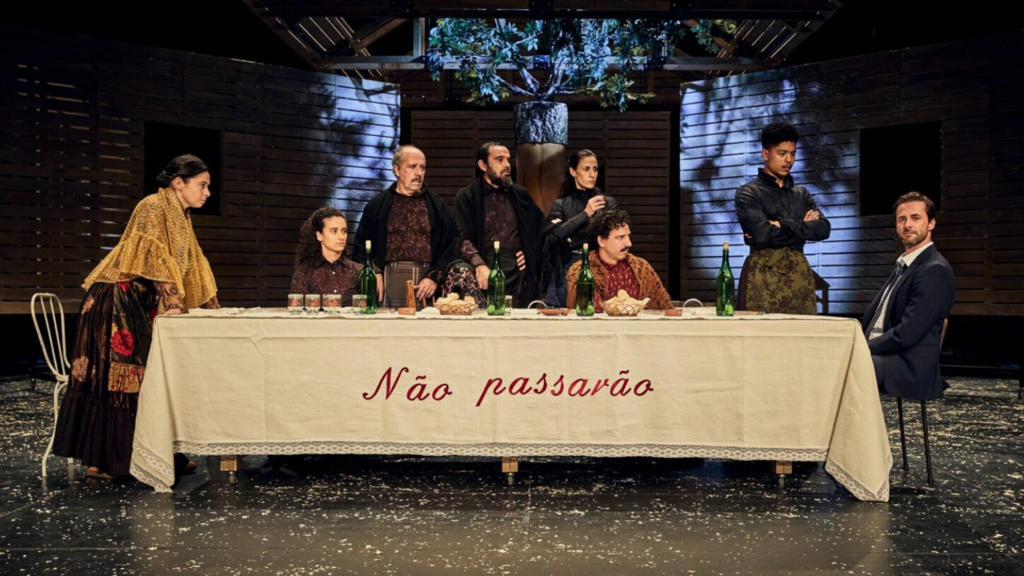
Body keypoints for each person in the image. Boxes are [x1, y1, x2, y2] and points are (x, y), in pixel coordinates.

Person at [54, 154, 219, 479]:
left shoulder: (181, 216)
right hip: (115, 302)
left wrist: (214, 309)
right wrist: (173, 305)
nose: (207, 192)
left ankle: (160, 453)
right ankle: (105, 460)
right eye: (202, 185)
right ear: (178, 183)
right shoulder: (153, 207)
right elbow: (156, 259)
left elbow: (195, 266)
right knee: (119, 379)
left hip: (137, 303)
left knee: (149, 377)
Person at [862, 192, 955, 400]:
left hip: (908, 365)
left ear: (931, 223)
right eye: (901, 219)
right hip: (886, 356)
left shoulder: (934, 269)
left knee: (837, 369)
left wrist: (861, 348)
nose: (907, 225)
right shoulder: (904, 265)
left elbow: (907, 333)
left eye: (915, 218)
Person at [735, 121, 831, 314]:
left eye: (792, 154)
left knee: (802, 331)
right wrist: (802, 228)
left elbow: (823, 229)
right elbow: (762, 234)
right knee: (761, 331)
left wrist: (780, 224)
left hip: (799, 275)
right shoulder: (748, 193)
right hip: (762, 275)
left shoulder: (801, 194)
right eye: (782, 153)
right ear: (765, 154)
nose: (789, 160)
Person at [353, 145, 456, 309]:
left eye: (422, 167)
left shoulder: (438, 206)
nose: (419, 173)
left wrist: (434, 277)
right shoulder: (377, 205)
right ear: (397, 170)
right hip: (387, 281)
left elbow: (450, 246)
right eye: (412, 167)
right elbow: (361, 245)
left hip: (424, 285)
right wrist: (374, 273)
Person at [448, 142, 545, 307]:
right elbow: (461, 238)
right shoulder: (467, 196)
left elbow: (541, 229)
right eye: (500, 160)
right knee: (461, 271)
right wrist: (479, 265)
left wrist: (529, 252)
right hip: (481, 260)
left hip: (514, 266)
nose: (507, 165)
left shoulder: (521, 195)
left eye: (508, 160)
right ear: (483, 165)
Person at [542, 149, 618, 307]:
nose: (592, 174)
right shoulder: (560, 204)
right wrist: (586, 213)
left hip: (599, 265)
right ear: (573, 171)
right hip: (566, 267)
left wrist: (570, 237)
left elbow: (609, 238)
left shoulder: (607, 203)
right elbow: (553, 235)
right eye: (586, 169)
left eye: (595, 169)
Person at [566, 209, 672, 312]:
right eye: (621, 237)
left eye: (628, 236)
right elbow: (589, 310)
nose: (629, 243)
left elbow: (665, 307)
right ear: (601, 241)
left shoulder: (642, 268)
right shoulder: (582, 270)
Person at [292, 207, 362, 306]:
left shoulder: (358, 271)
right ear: (319, 235)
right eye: (334, 231)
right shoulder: (304, 273)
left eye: (344, 231)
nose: (341, 237)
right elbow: (297, 311)